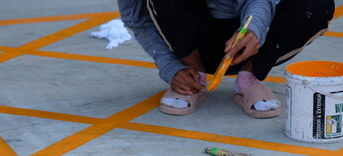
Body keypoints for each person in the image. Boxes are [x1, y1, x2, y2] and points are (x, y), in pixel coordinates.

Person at [118, 0, 335, 118]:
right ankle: (192, 77)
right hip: (191, 39)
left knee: (317, 4)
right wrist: (170, 67)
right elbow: (136, 18)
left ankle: (248, 79)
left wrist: (253, 30)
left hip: (249, 39)